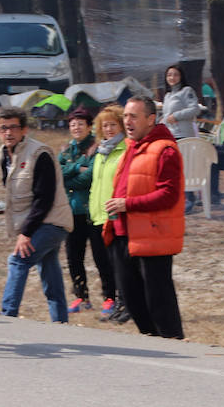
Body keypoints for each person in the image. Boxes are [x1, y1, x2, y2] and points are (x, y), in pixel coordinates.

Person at [104, 96, 185, 339]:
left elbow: (169, 195)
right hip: (123, 235)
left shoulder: (165, 150)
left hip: (152, 237)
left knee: (159, 304)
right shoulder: (131, 147)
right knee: (133, 301)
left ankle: (174, 346)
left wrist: (127, 204)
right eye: (126, 116)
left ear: (151, 119)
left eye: (133, 116)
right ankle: (155, 351)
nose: (127, 121)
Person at [0, 106, 73, 322]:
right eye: (4, 128)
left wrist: (26, 233)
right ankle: (60, 323)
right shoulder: (3, 155)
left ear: (24, 130)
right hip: (39, 222)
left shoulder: (40, 154)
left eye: (13, 127)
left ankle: (7, 316)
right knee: (49, 271)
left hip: (52, 221)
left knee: (18, 261)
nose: (8, 133)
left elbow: (44, 198)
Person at [59, 108, 115, 316]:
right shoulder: (66, 149)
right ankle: (81, 297)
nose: (76, 127)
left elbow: (89, 177)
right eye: (72, 124)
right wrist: (75, 168)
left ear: (90, 126)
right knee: (74, 257)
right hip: (71, 211)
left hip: (91, 211)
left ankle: (110, 296)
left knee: (102, 257)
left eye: (80, 124)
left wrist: (71, 172)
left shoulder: (96, 148)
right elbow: (58, 172)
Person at [88, 105, 130, 323]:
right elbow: (96, 183)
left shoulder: (124, 150)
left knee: (118, 265)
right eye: (105, 125)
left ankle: (125, 304)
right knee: (103, 264)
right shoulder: (100, 152)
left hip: (114, 217)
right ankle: (112, 301)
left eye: (113, 124)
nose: (109, 129)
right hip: (97, 215)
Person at [160, 64, 201, 213]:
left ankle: (190, 198)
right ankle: (177, 197)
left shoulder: (187, 91)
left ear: (181, 76)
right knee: (173, 167)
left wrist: (176, 116)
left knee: (185, 167)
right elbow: (166, 116)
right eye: (169, 75)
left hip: (183, 134)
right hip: (170, 135)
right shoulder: (167, 95)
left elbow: (194, 109)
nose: (172, 78)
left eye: (175, 74)